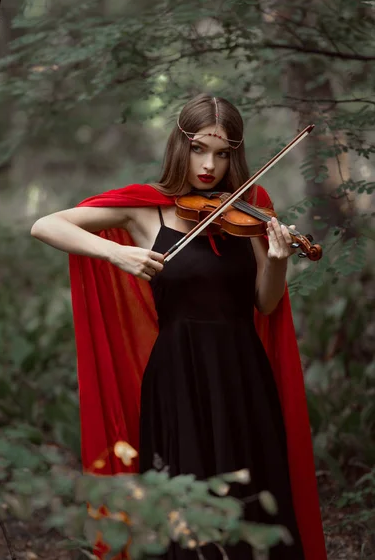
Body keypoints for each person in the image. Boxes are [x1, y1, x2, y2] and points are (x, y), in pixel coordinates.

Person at [31, 94, 327, 560]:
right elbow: (46, 224)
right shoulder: (145, 209)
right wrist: (117, 252)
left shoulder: (251, 207)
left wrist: (276, 263)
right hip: (177, 377)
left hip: (242, 373)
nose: (209, 165)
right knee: (184, 509)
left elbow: (265, 305)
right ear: (180, 145)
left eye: (223, 153)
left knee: (253, 503)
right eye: (199, 150)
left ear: (236, 153)